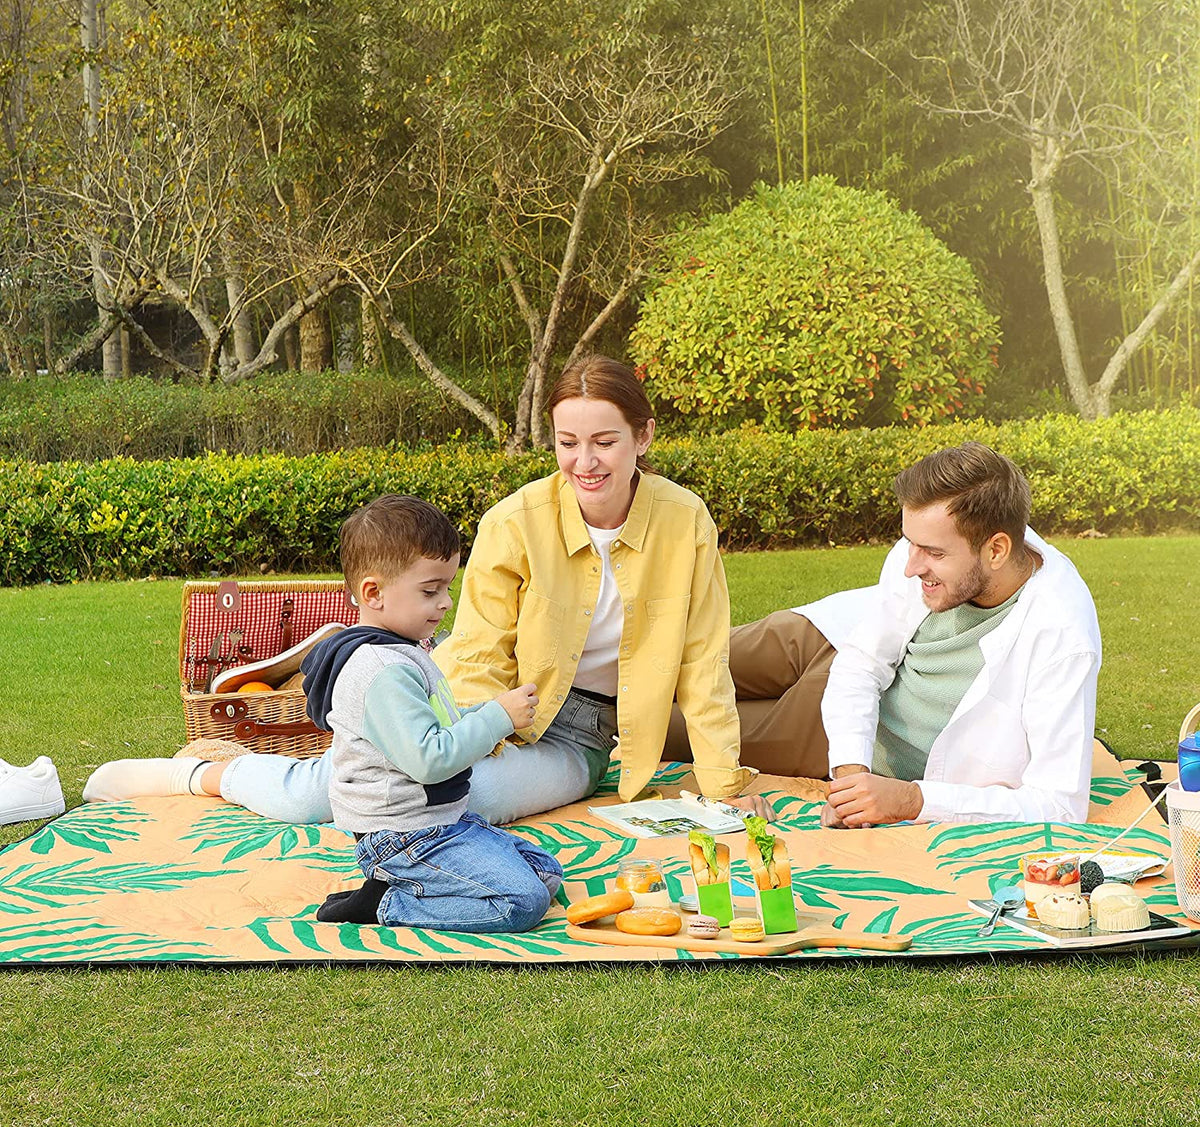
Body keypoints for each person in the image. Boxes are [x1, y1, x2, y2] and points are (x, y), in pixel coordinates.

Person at [84, 356, 764, 825]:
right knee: (384, 792)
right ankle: (206, 774)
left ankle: (273, 776)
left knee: (464, 803)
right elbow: (480, 650)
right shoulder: (516, 521)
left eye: (605, 442)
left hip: (578, 735)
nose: (584, 462)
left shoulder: (686, 522)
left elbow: (702, 660)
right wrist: (469, 741)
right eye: (566, 442)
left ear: (643, 438)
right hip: (479, 708)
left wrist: (723, 783)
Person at [665, 442, 1102, 826]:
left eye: (932, 553)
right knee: (661, 656)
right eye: (910, 543)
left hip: (826, 729)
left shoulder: (1061, 636)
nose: (910, 566)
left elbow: (1059, 804)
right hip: (828, 637)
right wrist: (850, 776)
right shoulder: (945, 539)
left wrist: (910, 799)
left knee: (655, 725)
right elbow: (860, 664)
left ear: (997, 550)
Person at [294, 494, 561, 931]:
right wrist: (496, 717)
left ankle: (408, 885)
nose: (445, 603)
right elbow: (430, 760)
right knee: (523, 901)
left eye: (447, 588)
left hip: (438, 822)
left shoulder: (401, 651)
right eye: (430, 590)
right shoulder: (382, 670)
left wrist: (486, 711)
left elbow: (436, 726)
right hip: (403, 835)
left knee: (545, 873)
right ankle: (384, 903)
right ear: (374, 593)